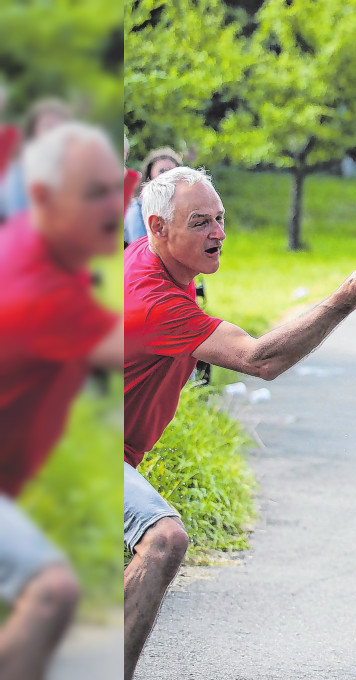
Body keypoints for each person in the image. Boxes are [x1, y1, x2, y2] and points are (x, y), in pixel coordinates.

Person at [122, 166, 356, 680]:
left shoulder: (149, 264)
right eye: (201, 222)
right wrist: (343, 299)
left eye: (221, 218)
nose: (218, 233)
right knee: (163, 539)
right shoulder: (153, 301)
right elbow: (261, 359)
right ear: (156, 227)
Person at [0, 123, 124, 680]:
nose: (112, 206)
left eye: (114, 188)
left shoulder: (37, 244)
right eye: (93, 193)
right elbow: (128, 346)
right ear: (45, 198)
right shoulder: (36, 285)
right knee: (50, 591)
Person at [2, 99, 70, 220]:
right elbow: (18, 218)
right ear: (33, 131)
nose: (55, 134)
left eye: (61, 128)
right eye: (48, 127)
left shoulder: (69, 168)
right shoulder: (21, 168)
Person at [124, 147, 182, 246]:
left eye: (173, 172)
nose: (167, 176)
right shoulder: (137, 209)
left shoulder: (183, 207)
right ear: (150, 176)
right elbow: (141, 247)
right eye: (162, 171)